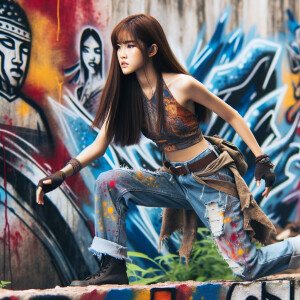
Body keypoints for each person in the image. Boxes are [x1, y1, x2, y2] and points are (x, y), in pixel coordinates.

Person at [36, 14, 300, 286]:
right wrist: (62, 173)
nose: (121, 54)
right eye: (118, 46)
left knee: (248, 268)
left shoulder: (182, 85)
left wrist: (262, 159)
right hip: (175, 181)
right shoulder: (127, 97)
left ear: (151, 50)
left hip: (210, 182)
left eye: (130, 46)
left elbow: (232, 115)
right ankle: (113, 266)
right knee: (109, 181)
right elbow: (99, 144)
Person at [65, 27, 104, 116]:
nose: (92, 57)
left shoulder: (103, 91)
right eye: (86, 50)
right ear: (81, 53)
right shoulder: (80, 91)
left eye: (96, 51)